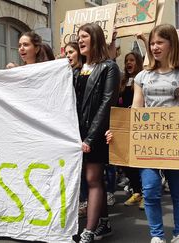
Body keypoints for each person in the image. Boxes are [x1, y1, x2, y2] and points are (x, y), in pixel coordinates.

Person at [107, 24, 179, 243]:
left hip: (178, 141)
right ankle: (157, 236)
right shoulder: (143, 77)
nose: (154, 47)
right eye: (152, 43)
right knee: (150, 189)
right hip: (149, 141)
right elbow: (136, 108)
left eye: (160, 42)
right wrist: (119, 131)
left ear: (172, 43)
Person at [75, 23, 120, 243]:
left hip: (96, 133)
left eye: (84, 36)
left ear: (95, 38)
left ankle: (89, 230)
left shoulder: (109, 67)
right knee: (93, 179)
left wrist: (91, 137)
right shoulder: (77, 69)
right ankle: (104, 222)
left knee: (93, 178)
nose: (80, 40)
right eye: (78, 37)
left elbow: (107, 103)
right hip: (77, 133)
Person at [118, 51, 145, 209]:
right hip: (123, 124)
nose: (128, 63)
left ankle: (145, 194)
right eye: (127, 60)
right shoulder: (122, 81)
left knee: (138, 160)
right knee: (126, 161)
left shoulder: (141, 79)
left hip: (137, 124)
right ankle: (136, 191)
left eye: (132, 60)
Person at [65, 41, 88, 217]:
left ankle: (85, 201)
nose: (68, 55)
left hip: (82, 126)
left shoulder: (84, 73)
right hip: (69, 125)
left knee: (84, 168)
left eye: (71, 52)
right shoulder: (67, 73)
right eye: (66, 53)